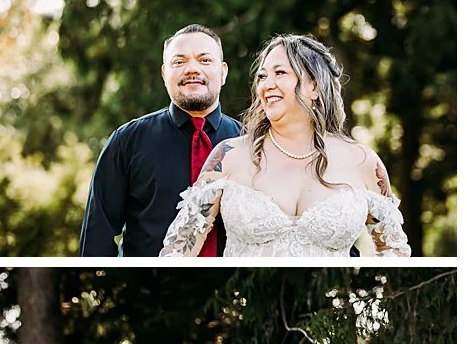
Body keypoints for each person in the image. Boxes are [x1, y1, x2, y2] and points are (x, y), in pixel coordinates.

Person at [160, 34, 411, 258]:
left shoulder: (363, 162)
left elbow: (394, 251)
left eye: (280, 73)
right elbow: (179, 251)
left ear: (314, 86)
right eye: (262, 76)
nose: (266, 85)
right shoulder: (230, 156)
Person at [80, 24, 240, 256]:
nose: (192, 69)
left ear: (223, 72)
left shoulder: (249, 142)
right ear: (164, 73)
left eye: (204, 60)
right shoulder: (127, 141)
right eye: (179, 61)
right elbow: (97, 237)